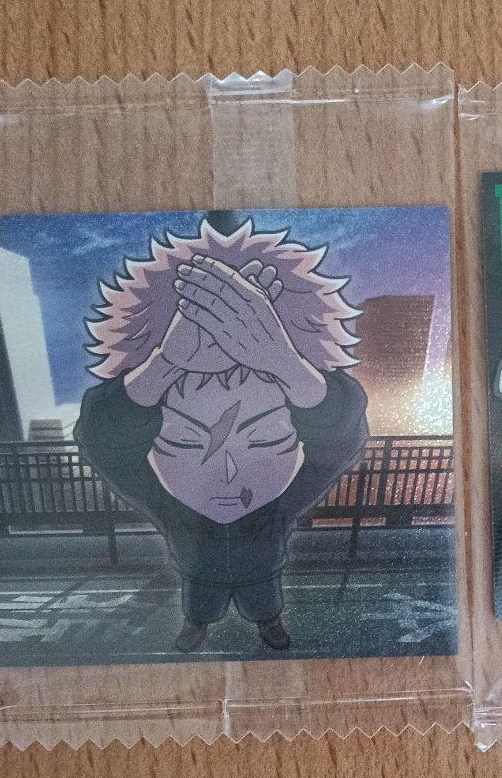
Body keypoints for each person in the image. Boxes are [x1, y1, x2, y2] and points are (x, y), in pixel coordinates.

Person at [76, 220, 368, 651]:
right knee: (200, 606)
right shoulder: (168, 505)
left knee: (264, 604)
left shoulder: (280, 505)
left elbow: (339, 444)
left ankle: (268, 623)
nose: (227, 475)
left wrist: (287, 363)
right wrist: (164, 364)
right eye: (183, 442)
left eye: (266, 441)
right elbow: (104, 443)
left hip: (261, 574)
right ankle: (196, 625)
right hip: (200, 575)